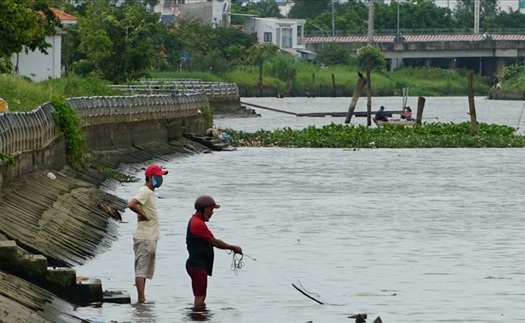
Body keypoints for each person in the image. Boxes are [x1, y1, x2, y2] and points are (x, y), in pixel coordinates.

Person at [186, 195, 243, 310]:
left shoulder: (198, 222)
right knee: (200, 297)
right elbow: (214, 242)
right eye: (211, 209)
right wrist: (232, 247)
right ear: (204, 209)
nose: (212, 212)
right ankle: (199, 317)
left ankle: (199, 316)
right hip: (197, 266)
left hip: (198, 265)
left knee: (201, 295)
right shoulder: (197, 224)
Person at [127, 164, 169, 303]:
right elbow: (131, 204)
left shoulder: (150, 192)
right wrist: (143, 215)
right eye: (158, 176)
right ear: (151, 177)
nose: (160, 179)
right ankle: (141, 299)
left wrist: (143, 214)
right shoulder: (145, 191)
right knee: (141, 269)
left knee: (145, 270)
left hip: (150, 236)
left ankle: (142, 299)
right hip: (144, 237)